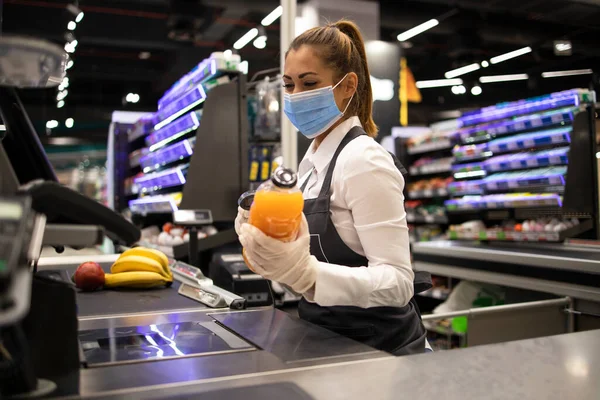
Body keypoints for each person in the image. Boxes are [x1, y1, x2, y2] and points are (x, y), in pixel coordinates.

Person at [237, 19, 431, 355]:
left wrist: (309, 275)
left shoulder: (364, 160)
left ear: (347, 86)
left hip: (381, 350)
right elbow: (301, 262)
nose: (295, 96)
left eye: (308, 83)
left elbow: (399, 283)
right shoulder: (310, 165)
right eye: (289, 85)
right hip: (325, 339)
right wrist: (271, 249)